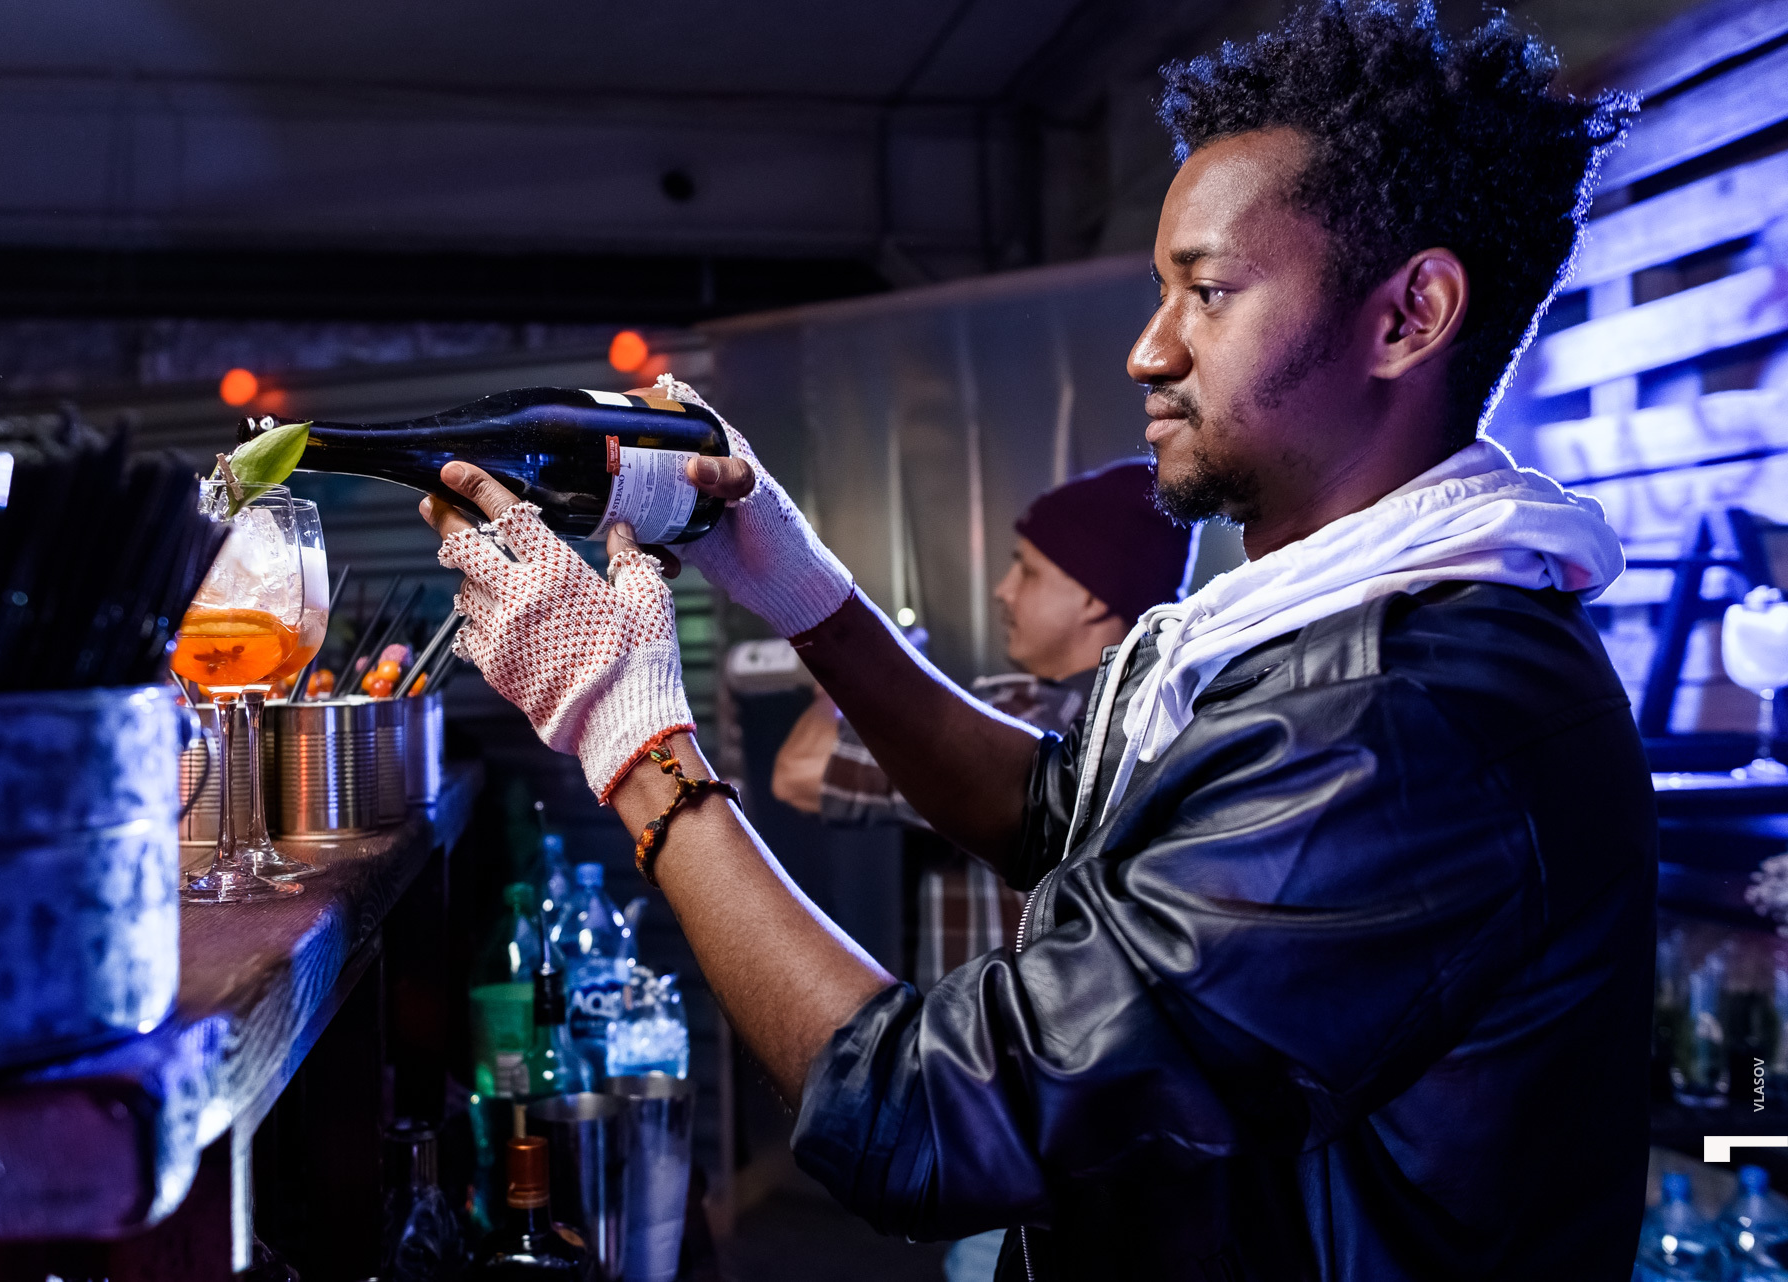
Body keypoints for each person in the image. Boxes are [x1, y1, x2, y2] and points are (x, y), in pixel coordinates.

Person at [419, 4, 1651, 1277]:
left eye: (1208, 293)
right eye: (1162, 291)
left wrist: (630, 736)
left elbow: (930, 1120)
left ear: (1410, 316)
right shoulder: (1307, 628)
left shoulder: (1407, 721)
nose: (1149, 350)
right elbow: (1060, 813)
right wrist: (800, 588)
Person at [772, 461, 1190, 993]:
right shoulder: (1172, 721)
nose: (1003, 590)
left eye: (1028, 572)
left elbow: (799, 771)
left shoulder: (1021, 713)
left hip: (984, 1040)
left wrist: (856, 677)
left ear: (1092, 598)